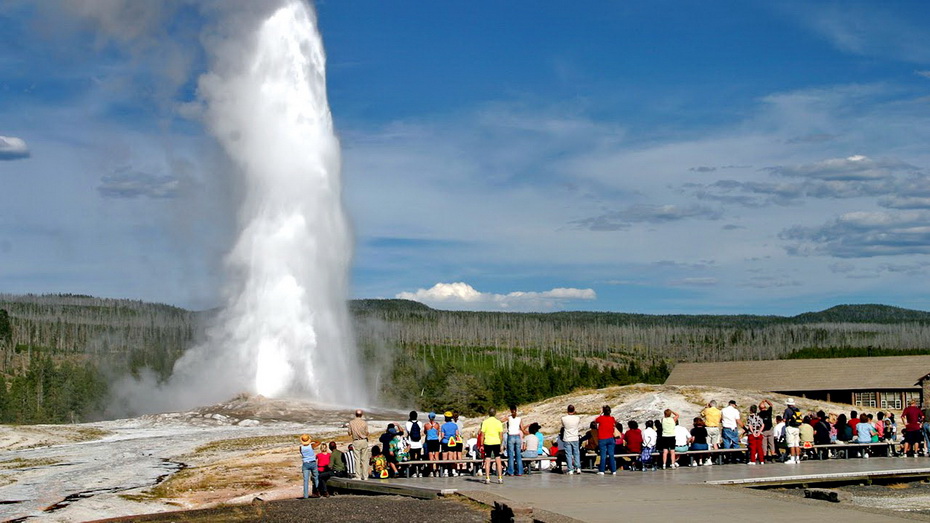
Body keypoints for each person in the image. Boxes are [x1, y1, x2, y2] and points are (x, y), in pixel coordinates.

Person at [480, 408, 505, 484]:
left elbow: (482, 434)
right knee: (498, 459)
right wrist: (500, 444)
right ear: (495, 413)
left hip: (487, 442)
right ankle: (500, 478)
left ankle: (487, 478)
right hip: (496, 442)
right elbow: (501, 435)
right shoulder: (498, 422)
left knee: (487, 459)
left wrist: (481, 444)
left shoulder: (485, 422)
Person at [348, 409, 370, 480]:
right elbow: (367, 433)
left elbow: (349, 433)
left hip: (356, 441)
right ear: (362, 415)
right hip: (364, 441)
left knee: (357, 459)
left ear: (355, 414)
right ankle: (365, 476)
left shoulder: (351, 422)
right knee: (364, 459)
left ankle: (358, 476)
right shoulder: (364, 423)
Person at [595, 405, 617, 475]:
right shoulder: (612, 418)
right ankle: (613, 470)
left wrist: (600, 413)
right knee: (611, 454)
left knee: (603, 455)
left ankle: (602, 470)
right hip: (611, 438)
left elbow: (595, 420)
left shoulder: (601, 418)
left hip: (602, 438)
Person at [505, 405, 526, 476]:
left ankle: (511, 471)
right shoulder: (519, 419)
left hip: (510, 436)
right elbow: (522, 429)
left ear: (510, 410)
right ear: (516, 410)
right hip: (517, 436)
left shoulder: (508, 418)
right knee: (518, 455)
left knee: (510, 455)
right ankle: (520, 471)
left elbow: (500, 421)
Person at [561, 404, 582, 475]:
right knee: (576, 453)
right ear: (574, 410)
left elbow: (563, 426)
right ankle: (578, 467)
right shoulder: (577, 418)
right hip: (575, 437)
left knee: (568, 454)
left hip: (567, 437)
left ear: (567, 410)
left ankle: (570, 469)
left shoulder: (564, 418)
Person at [440, 411, 461, 477]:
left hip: (445, 442)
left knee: (445, 457)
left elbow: (442, 435)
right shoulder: (455, 425)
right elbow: (457, 434)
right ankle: (453, 470)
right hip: (452, 442)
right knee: (451, 456)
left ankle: (445, 470)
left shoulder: (443, 426)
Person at [783, 399, 803, 464]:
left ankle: (792, 459)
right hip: (797, 428)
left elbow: (784, 419)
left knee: (791, 444)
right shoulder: (797, 409)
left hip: (790, 428)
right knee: (796, 444)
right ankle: (797, 458)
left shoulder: (787, 410)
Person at [300, 434, 319, 499]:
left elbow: (302, 453)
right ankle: (317, 492)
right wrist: (312, 440)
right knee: (316, 478)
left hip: (305, 463)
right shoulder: (311, 446)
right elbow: (318, 442)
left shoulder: (301, 447)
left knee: (306, 480)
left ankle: (305, 495)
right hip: (312, 462)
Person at [405, 411, 424, 477]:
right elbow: (421, 432)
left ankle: (414, 472)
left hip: (411, 444)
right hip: (418, 444)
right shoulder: (420, 423)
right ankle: (420, 471)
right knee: (418, 457)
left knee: (412, 458)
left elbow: (408, 432)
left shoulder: (407, 423)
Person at [424, 412, 442, 477]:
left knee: (430, 456)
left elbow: (425, 432)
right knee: (436, 456)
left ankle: (431, 471)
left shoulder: (426, 425)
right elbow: (437, 434)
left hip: (429, 441)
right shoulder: (437, 425)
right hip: (436, 441)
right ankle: (436, 470)